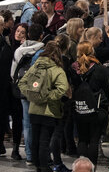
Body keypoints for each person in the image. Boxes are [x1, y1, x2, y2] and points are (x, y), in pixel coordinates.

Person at [18, 42, 69, 172]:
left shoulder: (35, 67)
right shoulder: (57, 70)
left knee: (35, 140)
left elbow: (22, 83)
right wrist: (48, 97)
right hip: (50, 110)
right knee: (44, 142)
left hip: (34, 109)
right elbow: (63, 88)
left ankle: (37, 166)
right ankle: (44, 167)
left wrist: (31, 96)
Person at [71, 41, 109, 167]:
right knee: (94, 140)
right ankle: (91, 169)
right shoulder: (99, 69)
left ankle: (81, 168)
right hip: (97, 109)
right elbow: (106, 88)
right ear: (92, 51)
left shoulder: (73, 68)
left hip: (79, 107)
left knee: (82, 139)